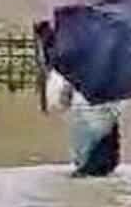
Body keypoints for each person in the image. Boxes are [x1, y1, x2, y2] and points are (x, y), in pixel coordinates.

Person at [36, 22, 123, 177]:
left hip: (94, 110)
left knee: (92, 144)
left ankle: (89, 165)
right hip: (95, 109)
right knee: (94, 143)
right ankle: (90, 165)